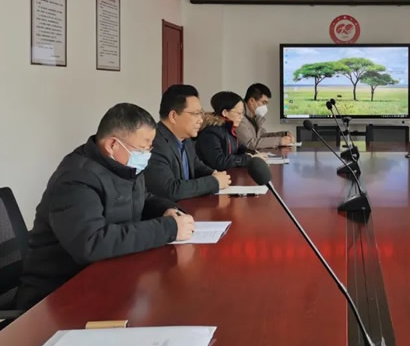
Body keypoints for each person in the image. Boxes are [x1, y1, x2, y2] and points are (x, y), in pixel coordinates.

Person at [16, 103, 195, 309]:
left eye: (150, 147)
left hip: (108, 276)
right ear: (112, 145)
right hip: (58, 296)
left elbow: (142, 198)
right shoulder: (76, 178)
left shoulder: (125, 165)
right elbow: (91, 243)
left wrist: (167, 210)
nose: (147, 154)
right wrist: (168, 229)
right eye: (143, 148)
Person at [144, 84, 231, 201]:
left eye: (201, 113)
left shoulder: (185, 138)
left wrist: (213, 174)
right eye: (195, 114)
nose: (201, 120)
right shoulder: (155, 143)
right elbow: (170, 189)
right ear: (173, 116)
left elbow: (196, 165)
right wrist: (214, 182)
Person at [196, 91, 265, 170]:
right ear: (225, 112)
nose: (241, 117)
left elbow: (237, 149)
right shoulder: (210, 132)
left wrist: (252, 154)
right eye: (239, 113)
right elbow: (219, 161)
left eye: (242, 113)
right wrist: (249, 159)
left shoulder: (228, 128)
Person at [237, 83, 294, 149]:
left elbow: (261, 137)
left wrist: (283, 134)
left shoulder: (254, 116)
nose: (265, 107)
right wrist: (280, 141)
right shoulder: (239, 116)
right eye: (263, 102)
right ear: (252, 101)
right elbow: (250, 143)